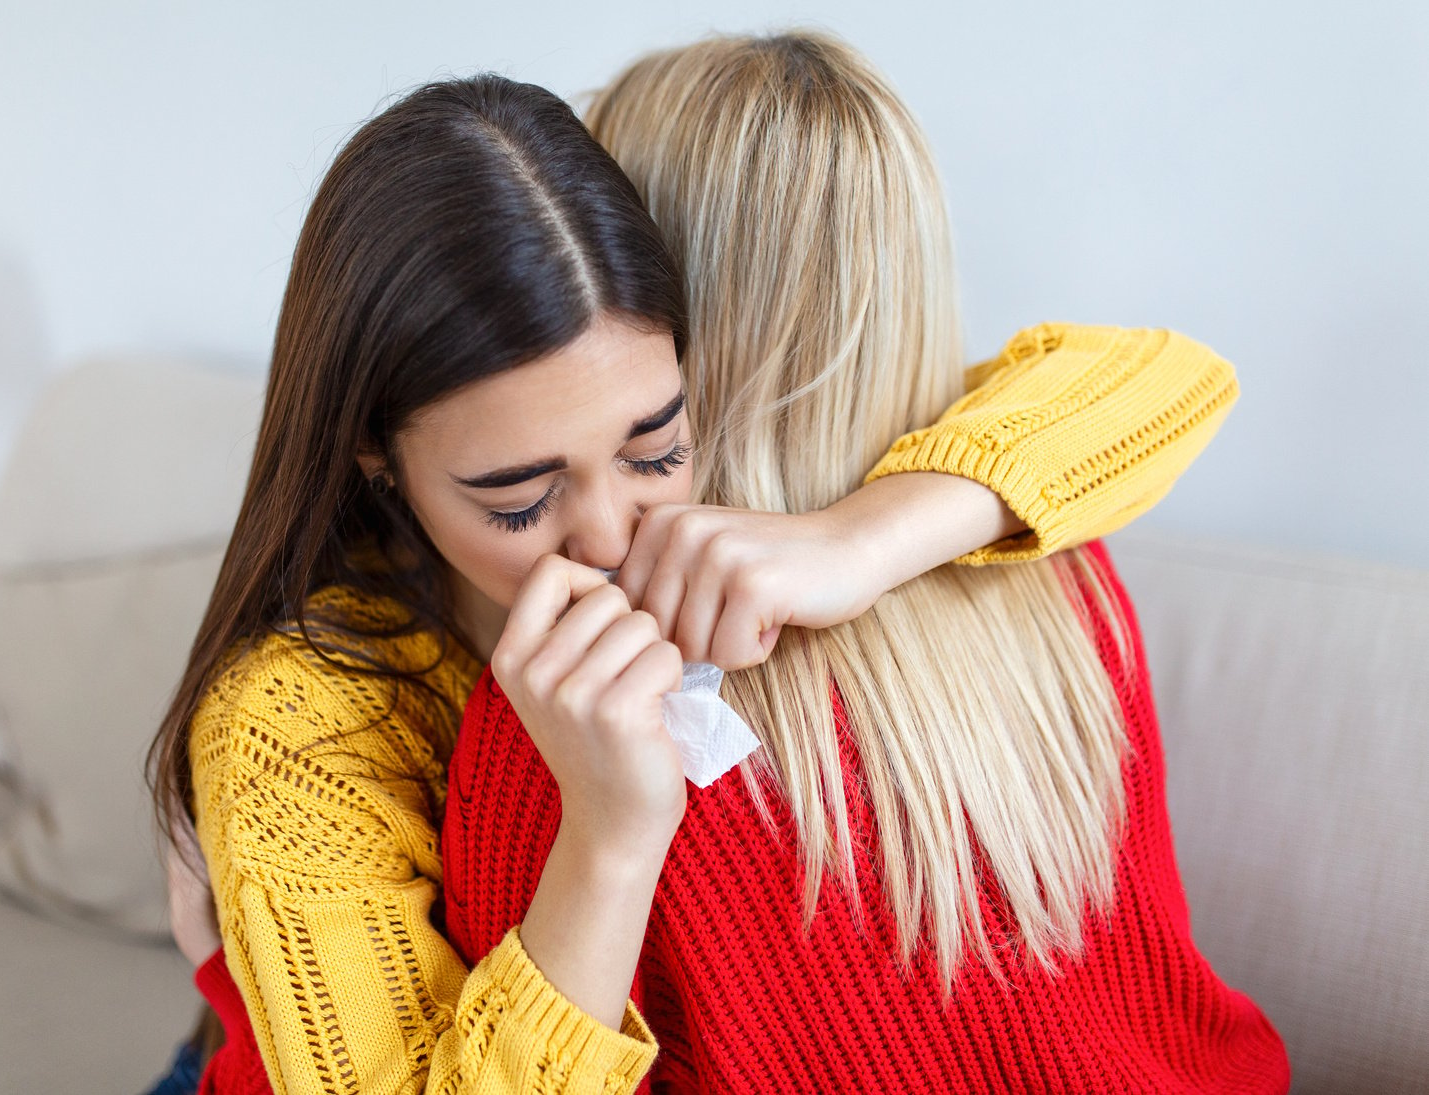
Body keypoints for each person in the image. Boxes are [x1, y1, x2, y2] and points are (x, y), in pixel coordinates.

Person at [144, 55, 1251, 1095]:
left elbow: (1157, 377)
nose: (613, 538)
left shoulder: (805, 544)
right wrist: (612, 837)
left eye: (656, 449)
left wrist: (860, 541)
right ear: (377, 461)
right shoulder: (306, 719)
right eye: (520, 501)